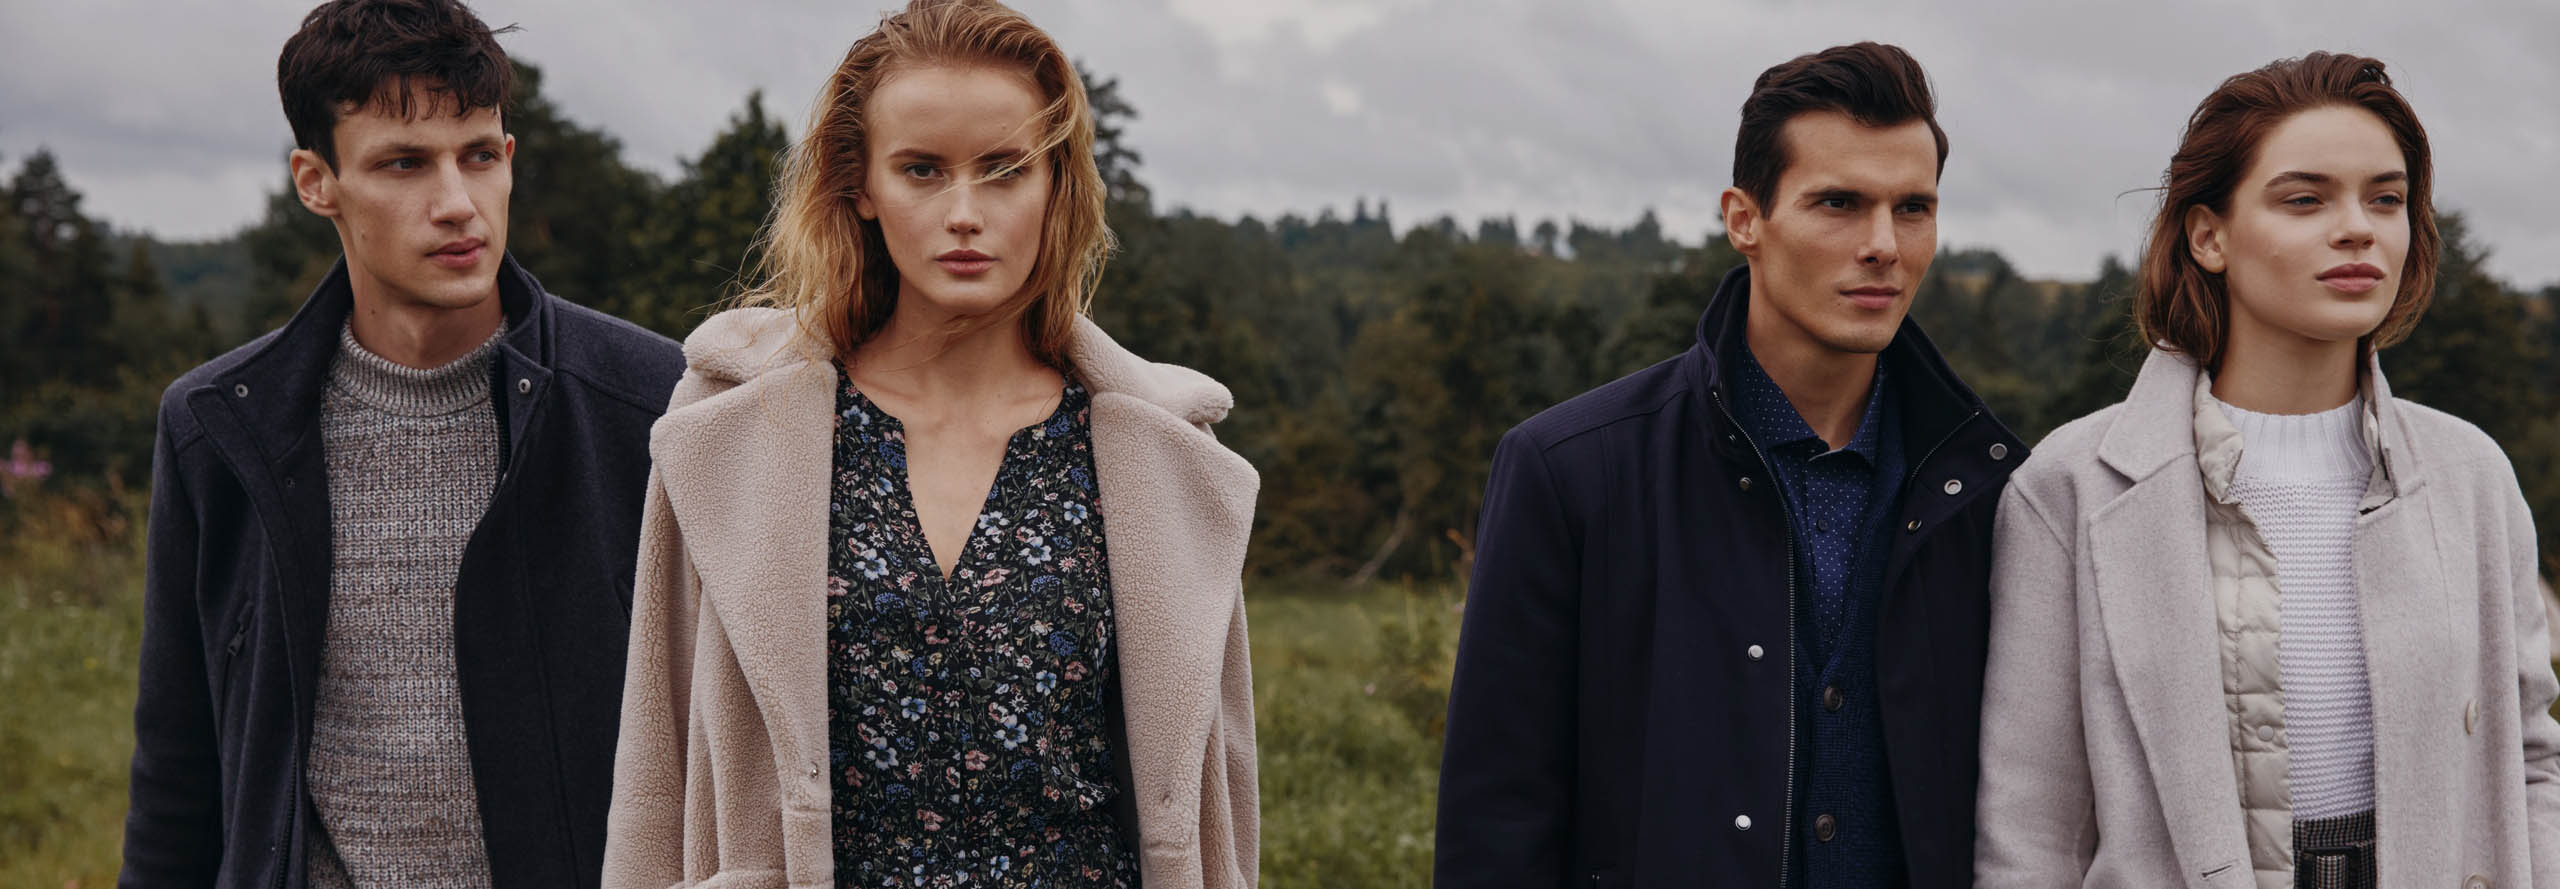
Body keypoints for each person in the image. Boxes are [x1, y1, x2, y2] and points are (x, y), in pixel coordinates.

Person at [599, 2, 1259, 887]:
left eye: (1004, 170)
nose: (964, 213)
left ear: (1055, 184)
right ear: (861, 187)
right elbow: (656, 766)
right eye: (922, 170)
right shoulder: (733, 428)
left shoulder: (1163, 451)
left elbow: (1219, 809)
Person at [118, 1, 685, 887]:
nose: (457, 204)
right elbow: (178, 771)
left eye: (480, 155)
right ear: (317, 182)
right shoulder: (220, 428)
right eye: (404, 163)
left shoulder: (652, 406)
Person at [1435, 42, 2028, 889]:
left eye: (1913, 208)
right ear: (1745, 219)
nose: (1883, 245)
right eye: (1839, 203)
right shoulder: (1569, 472)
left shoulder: (1999, 491)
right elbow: (1496, 823)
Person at [1975, 53, 2560, 889]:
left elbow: (2531, 757)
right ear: (2208, 236)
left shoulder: (2471, 474)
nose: (2357, 228)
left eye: (2385, 199)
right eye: (2305, 199)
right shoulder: (2071, 486)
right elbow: (2030, 828)